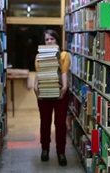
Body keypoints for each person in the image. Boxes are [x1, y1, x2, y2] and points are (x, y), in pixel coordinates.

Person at [34, 29, 70, 166]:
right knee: (45, 122)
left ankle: (61, 152)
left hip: (61, 93)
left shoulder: (63, 55)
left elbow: (64, 72)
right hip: (44, 93)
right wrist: (35, 87)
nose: (49, 42)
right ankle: (45, 149)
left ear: (57, 40)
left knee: (60, 124)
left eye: (52, 39)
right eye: (46, 40)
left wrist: (64, 88)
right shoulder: (39, 57)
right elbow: (38, 74)